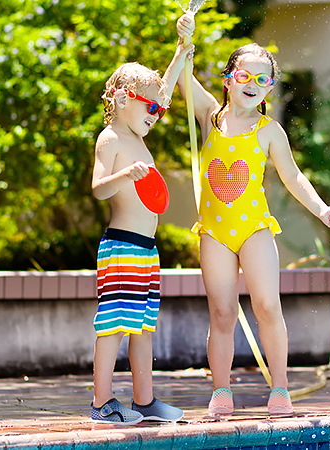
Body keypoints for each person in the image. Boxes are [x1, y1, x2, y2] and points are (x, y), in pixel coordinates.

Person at [175, 14, 330, 416]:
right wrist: (183, 40)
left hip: (254, 228)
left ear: (270, 86)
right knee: (221, 312)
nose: (252, 86)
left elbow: (293, 176)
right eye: (245, 76)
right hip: (215, 232)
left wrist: (321, 209)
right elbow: (183, 74)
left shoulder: (270, 130)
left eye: (262, 79)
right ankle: (221, 390)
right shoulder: (209, 118)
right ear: (228, 78)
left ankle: (281, 388)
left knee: (267, 306)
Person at [89, 39, 192, 424]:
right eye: (148, 106)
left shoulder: (138, 135)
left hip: (146, 249)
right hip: (122, 246)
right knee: (114, 327)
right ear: (119, 99)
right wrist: (123, 174)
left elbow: (161, 92)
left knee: (143, 327)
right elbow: (99, 189)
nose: (157, 111)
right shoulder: (112, 139)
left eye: (157, 108)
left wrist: (181, 52)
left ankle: (145, 402)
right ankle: (101, 403)